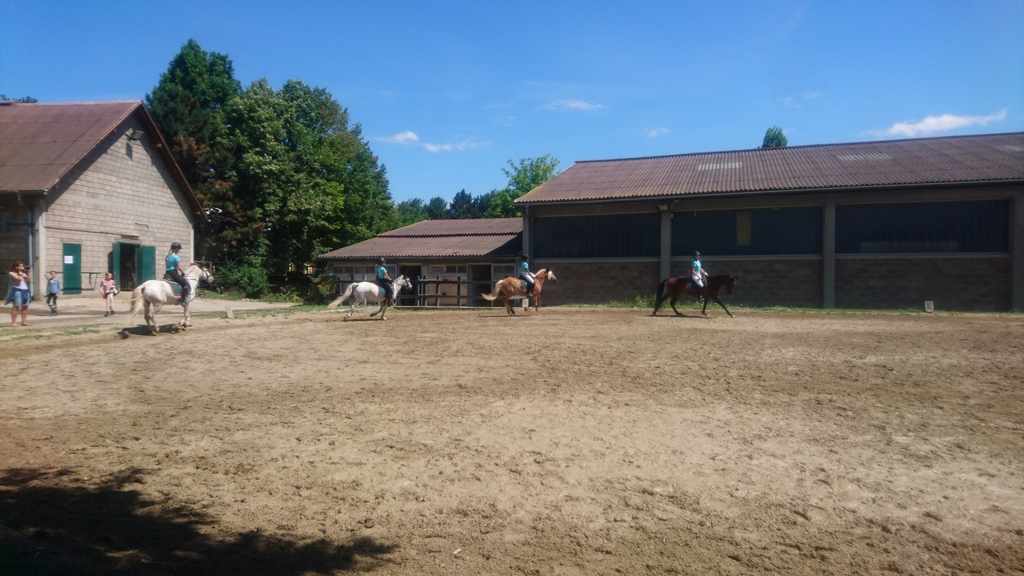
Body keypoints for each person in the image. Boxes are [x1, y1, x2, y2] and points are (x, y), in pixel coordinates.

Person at [5, 261, 31, 327]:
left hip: (25, 290)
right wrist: (20, 272)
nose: (22, 267)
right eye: (21, 266)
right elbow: (18, 279)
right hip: (17, 290)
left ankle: (24, 321)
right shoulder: (11, 273)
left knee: (25, 307)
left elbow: (28, 280)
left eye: (22, 266)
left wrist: (28, 272)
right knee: (16, 307)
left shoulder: (22, 273)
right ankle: (14, 322)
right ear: (16, 267)